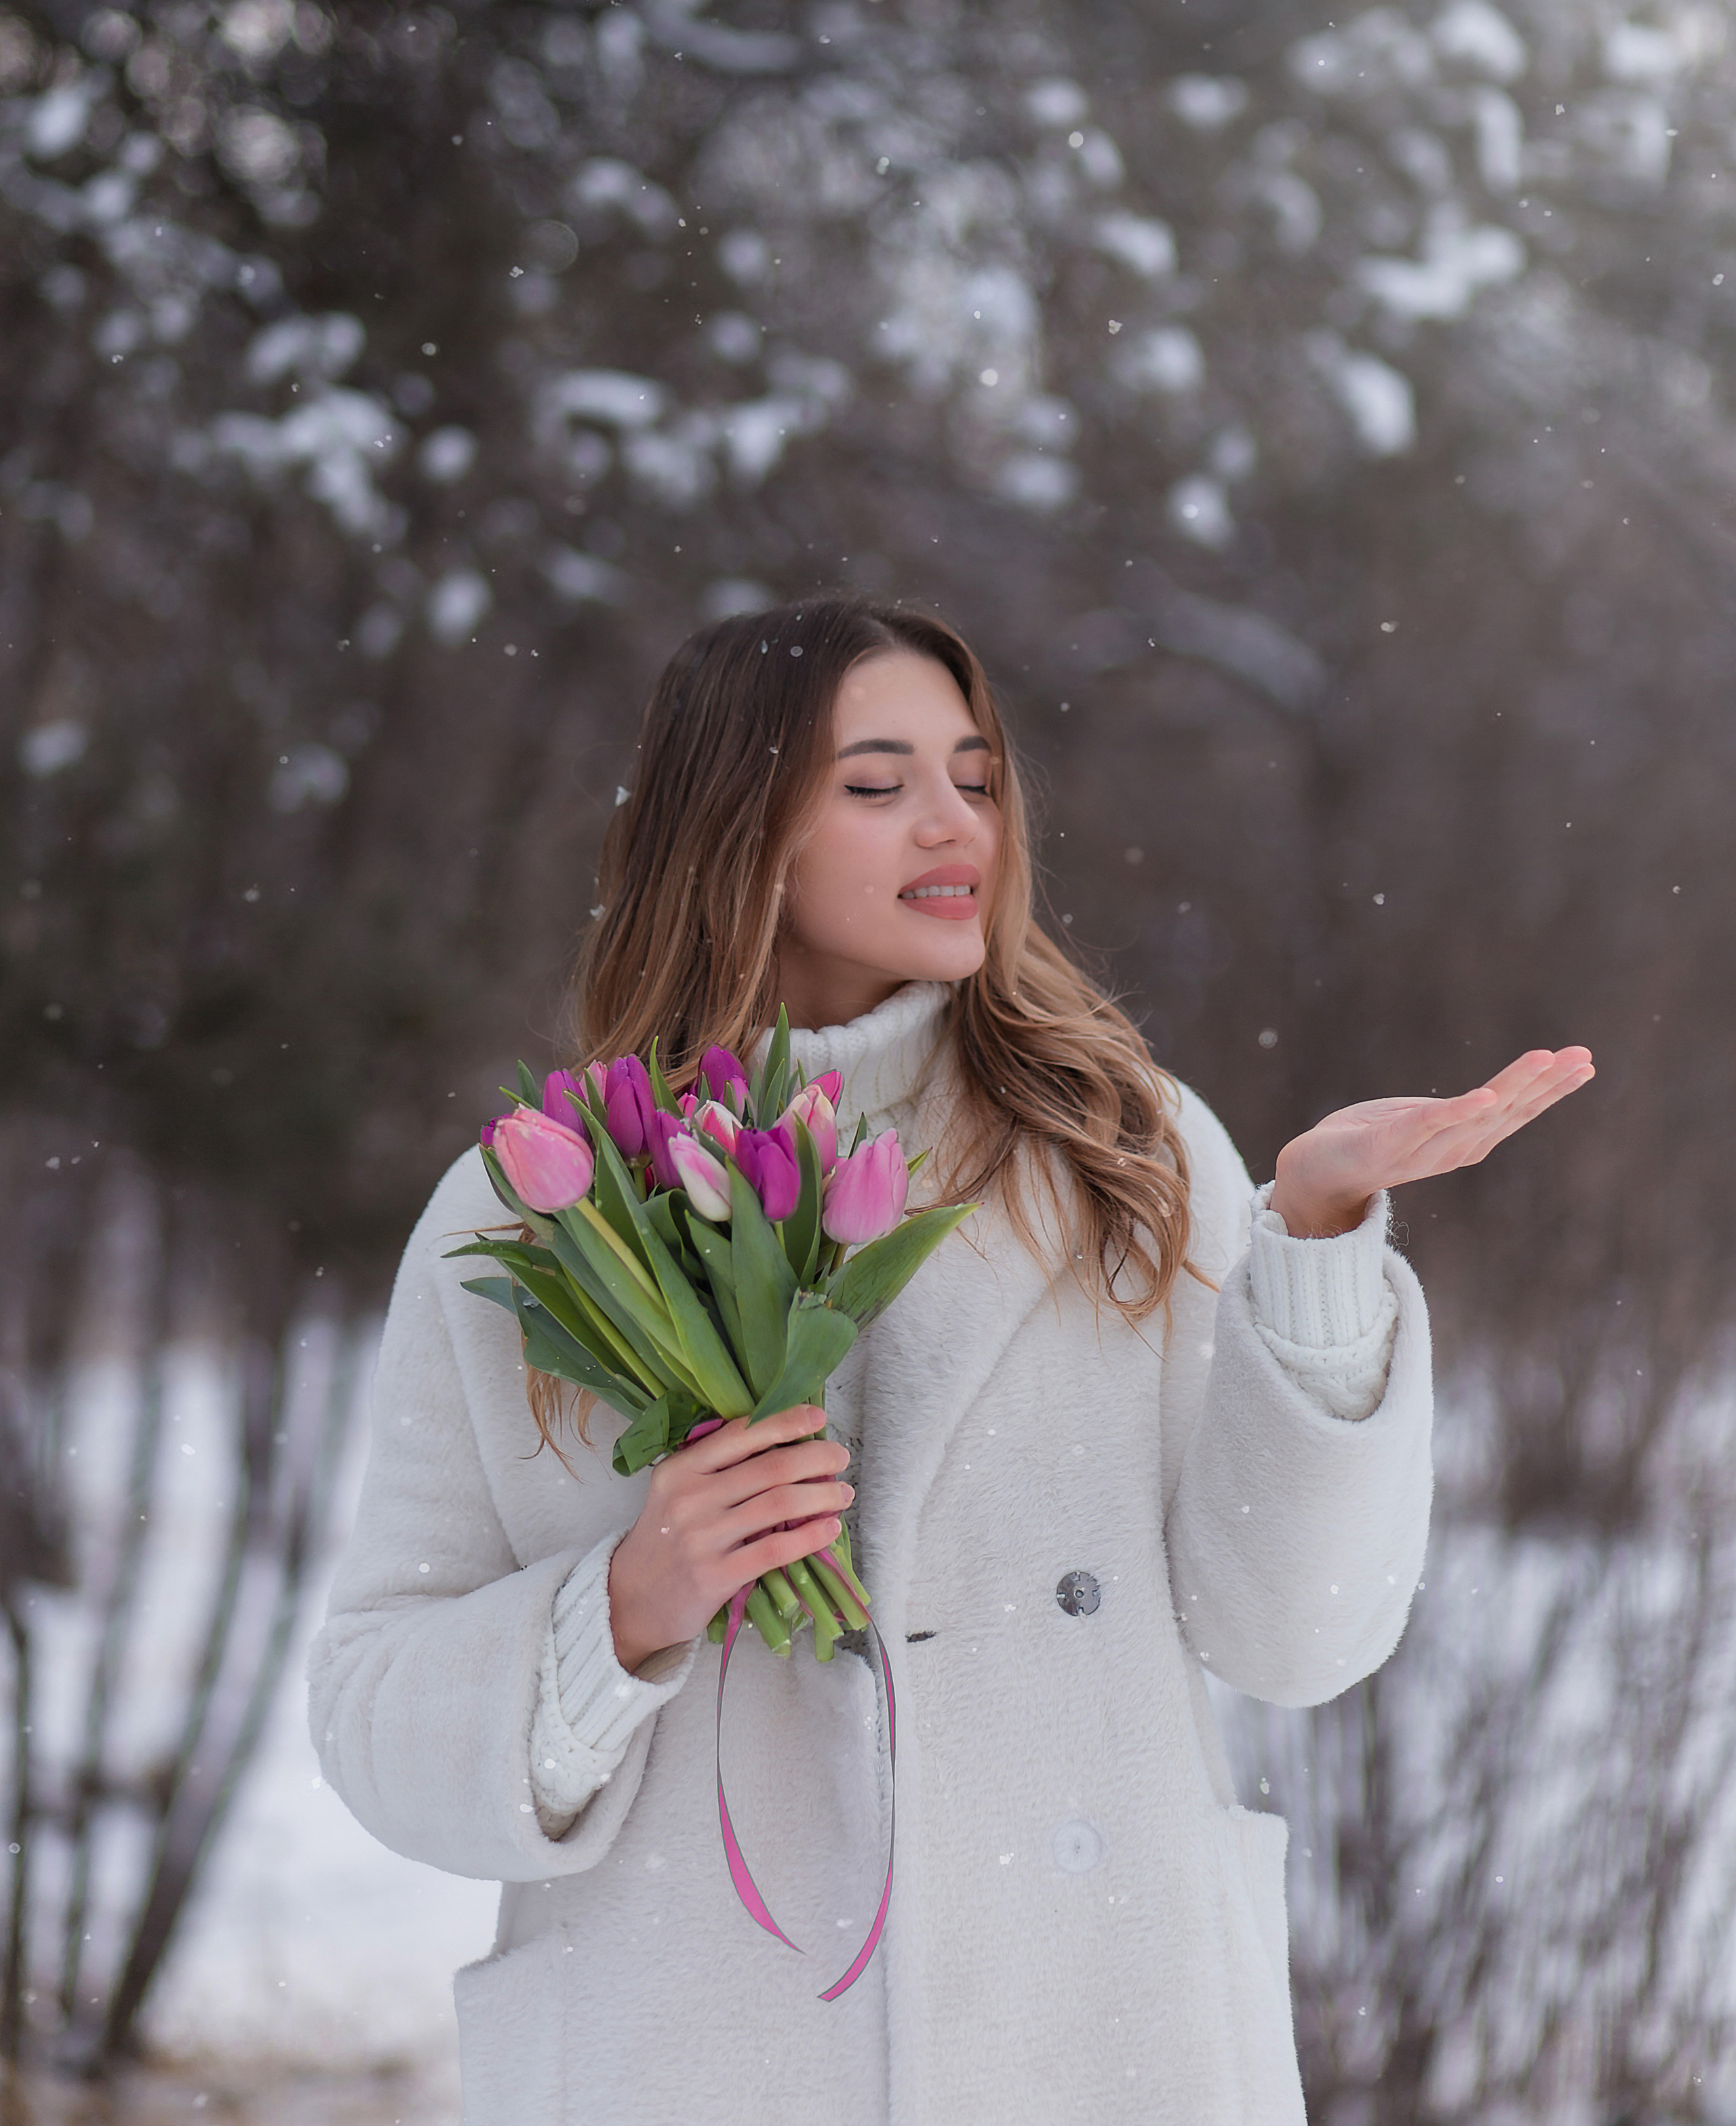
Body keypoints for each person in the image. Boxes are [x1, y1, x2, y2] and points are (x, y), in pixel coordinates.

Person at [309, 595, 1592, 2125]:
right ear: (734, 832)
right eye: (877, 783)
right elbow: (376, 1715)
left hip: (1095, 2040)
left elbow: (1296, 1636)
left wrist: (1313, 1240)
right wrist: (627, 1609)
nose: (954, 823)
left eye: (975, 778)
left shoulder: (1121, 1148)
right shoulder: (544, 1205)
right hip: (702, 2056)